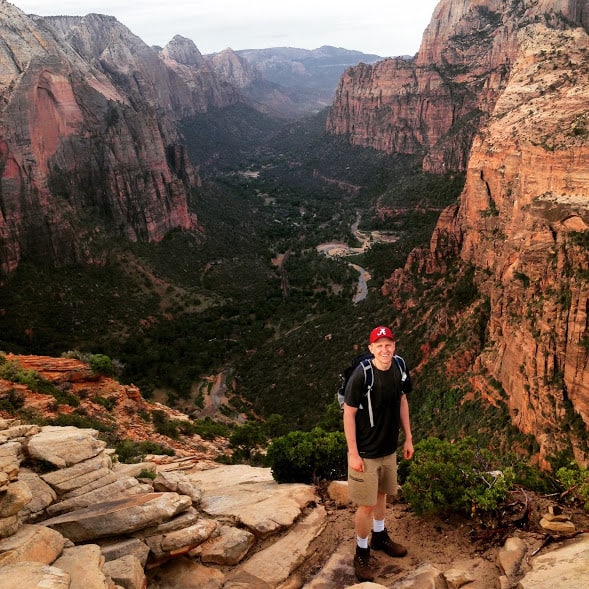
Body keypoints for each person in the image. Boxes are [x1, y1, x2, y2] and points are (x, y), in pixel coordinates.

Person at [343, 325, 414, 582]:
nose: (384, 349)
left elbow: (403, 401)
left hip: (388, 447)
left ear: (394, 346)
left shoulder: (399, 366)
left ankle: (380, 536)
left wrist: (408, 437)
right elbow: (349, 413)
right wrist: (353, 453)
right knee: (366, 504)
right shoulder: (362, 375)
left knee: (382, 493)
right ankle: (361, 551)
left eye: (388, 344)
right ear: (371, 349)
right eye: (379, 345)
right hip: (365, 451)